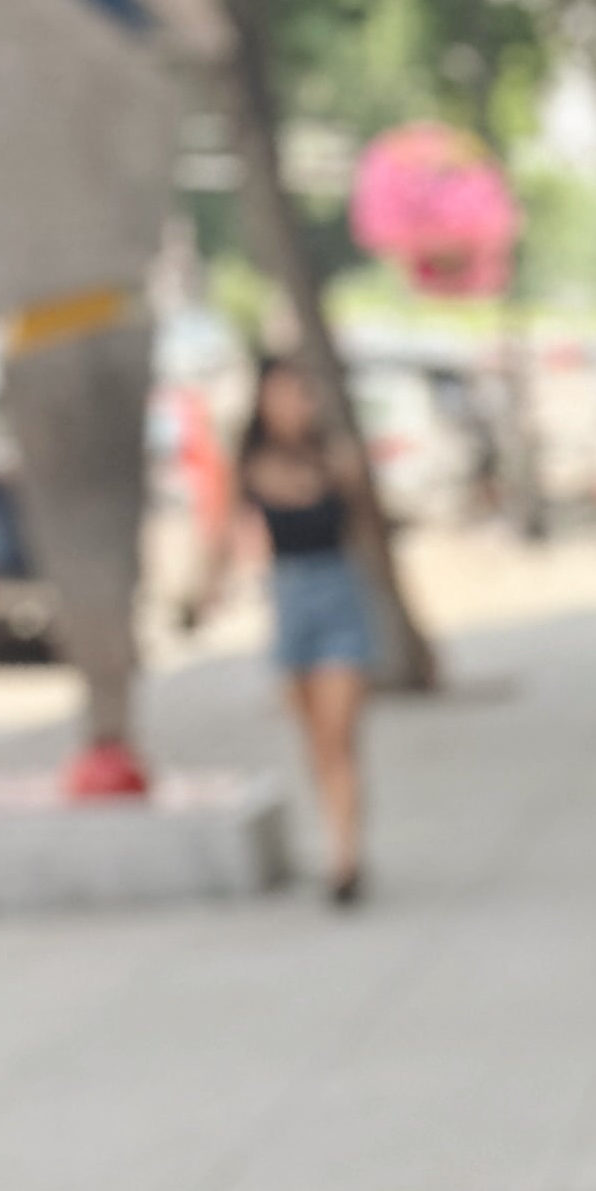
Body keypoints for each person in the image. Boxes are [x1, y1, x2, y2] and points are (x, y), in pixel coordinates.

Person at [227, 355, 373, 904]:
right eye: (283, 393)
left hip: (339, 598)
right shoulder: (252, 465)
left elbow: (359, 528)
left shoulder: (336, 457)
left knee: (338, 735)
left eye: (300, 392)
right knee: (317, 742)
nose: (294, 404)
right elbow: (230, 532)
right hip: (290, 603)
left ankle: (346, 855)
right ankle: (337, 838)